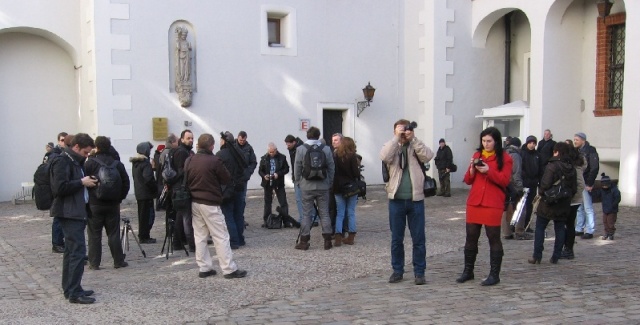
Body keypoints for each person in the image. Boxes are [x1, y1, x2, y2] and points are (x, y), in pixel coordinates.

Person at [185, 133, 247, 279]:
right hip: (210, 202)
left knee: (200, 236)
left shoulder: (190, 160)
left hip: (195, 201)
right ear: (212, 146)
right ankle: (228, 268)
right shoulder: (214, 161)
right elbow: (226, 178)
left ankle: (204, 267)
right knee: (221, 235)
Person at [379, 120, 434, 285]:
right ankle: (397, 270)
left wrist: (414, 139)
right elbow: (384, 156)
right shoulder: (391, 146)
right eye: (400, 129)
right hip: (396, 199)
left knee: (418, 238)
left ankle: (419, 272)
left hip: (415, 199)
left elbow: (428, 156)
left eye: (405, 129)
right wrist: (397, 138)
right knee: (397, 239)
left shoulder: (414, 146)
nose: (404, 132)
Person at [457, 127, 512, 286]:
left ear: (496, 141)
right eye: (483, 141)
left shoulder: (505, 158)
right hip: (475, 202)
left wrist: (489, 170)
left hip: (492, 202)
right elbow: (467, 180)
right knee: (471, 237)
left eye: (489, 141)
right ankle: (468, 271)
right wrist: (473, 169)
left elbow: (504, 181)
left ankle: (494, 274)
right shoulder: (477, 155)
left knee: (493, 237)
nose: (486, 144)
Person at [50, 133, 98, 304]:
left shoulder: (74, 161)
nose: (87, 156)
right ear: (76, 147)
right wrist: (81, 182)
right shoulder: (62, 161)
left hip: (76, 211)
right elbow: (59, 187)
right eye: (85, 152)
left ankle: (71, 288)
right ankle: (74, 292)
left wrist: (87, 182)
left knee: (72, 252)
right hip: (68, 213)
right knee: (77, 252)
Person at [84, 136, 130, 270]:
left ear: (96, 147)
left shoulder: (90, 163)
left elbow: (84, 181)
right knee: (113, 233)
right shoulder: (117, 164)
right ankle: (118, 261)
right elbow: (126, 183)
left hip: (94, 204)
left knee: (94, 234)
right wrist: (119, 198)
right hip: (112, 204)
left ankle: (94, 262)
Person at [528, 142, 577, 265]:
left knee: (540, 227)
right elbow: (574, 188)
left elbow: (544, 184)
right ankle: (555, 256)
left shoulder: (552, 166)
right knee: (560, 228)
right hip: (564, 202)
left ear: (556, 152)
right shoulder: (571, 168)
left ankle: (537, 255)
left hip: (548, 202)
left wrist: (543, 193)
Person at [294, 126, 336, 250]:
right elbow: (331, 167)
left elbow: (297, 167)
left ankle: (304, 241)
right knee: (324, 213)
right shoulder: (326, 149)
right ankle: (327, 241)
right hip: (323, 185)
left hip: (306, 186)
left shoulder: (301, 149)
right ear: (318, 136)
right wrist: (329, 182)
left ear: (307, 135)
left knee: (306, 214)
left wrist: (298, 182)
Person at [217, 132, 247, 248]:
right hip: (239, 187)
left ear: (224, 141)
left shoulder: (221, 154)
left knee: (228, 215)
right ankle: (240, 238)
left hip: (227, 189)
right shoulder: (239, 153)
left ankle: (234, 240)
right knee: (238, 214)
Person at [258, 142, 297, 227]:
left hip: (278, 182)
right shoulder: (264, 158)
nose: (271, 154)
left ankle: (286, 221)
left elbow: (286, 169)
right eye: (270, 152)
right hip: (268, 183)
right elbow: (260, 170)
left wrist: (278, 174)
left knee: (283, 202)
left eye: (273, 152)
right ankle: (267, 221)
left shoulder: (282, 157)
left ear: (276, 150)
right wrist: (264, 176)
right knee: (267, 202)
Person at [332, 137, 361, 246]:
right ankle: (351, 236)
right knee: (351, 212)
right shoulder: (352, 156)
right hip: (351, 187)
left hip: (338, 187)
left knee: (340, 213)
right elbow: (356, 173)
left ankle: (338, 236)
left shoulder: (335, 156)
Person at [560, 140, 586, 260]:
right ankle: (564, 248)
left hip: (572, 199)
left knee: (569, 225)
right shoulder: (573, 164)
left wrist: (571, 195)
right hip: (570, 198)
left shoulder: (575, 166)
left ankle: (568, 249)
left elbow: (580, 184)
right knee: (566, 224)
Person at [285, 135, 317, 224]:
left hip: (301, 177)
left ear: (294, 142)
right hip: (303, 177)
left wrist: (296, 177)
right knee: (308, 198)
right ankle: (313, 217)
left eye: (288, 145)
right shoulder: (298, 149)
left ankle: (304, 218)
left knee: (301, 199)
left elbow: (298, 165)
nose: (287, 147)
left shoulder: (298, 150)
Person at [172, 130, 196, 251]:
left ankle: (177, 242)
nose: (191, 140)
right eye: (188, 138)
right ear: (182, 139)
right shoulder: (181, 152)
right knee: (186, 218)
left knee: (180, 217)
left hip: (181, 188)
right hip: (182, 189)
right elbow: (181, 171)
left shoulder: (185, 151)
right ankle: (191, 244)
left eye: (192, 138)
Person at [130, 142, 158, 243]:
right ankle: (144, 236)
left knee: (142, 215)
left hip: (140, 192)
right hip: (146, 194)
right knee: (147, 216)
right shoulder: (145, 163)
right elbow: (148, 178)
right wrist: (155, 188)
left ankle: (143, 234)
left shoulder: (136, 163)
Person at [573, 132, 599, 239]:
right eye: (574, 139)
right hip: (578, 182)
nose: (575, 141)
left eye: (577, 140)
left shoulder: (590, 150)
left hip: (585, 181)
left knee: (588, 207)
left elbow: (594, 168)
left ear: (583, 140)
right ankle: (579, 228)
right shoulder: (576, 151)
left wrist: (589, 183)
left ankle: (589, 230)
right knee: (579, 206)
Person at [519, 135, 543, 238]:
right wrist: (525, 178)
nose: (532, 145)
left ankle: (527, 225)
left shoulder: (537, 155)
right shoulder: (522, 154)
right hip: (524, 183)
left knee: (530, 205)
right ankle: (518, 225)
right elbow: (521, 168)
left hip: (534, 183)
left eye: (534, 143)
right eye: (530, 143)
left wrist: (539, 180)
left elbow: (540, 169)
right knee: (521, 205)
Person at [50, 132, 68, 253]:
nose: (64, 142)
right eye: (62, 140)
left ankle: (61, 241)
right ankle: (56, 243)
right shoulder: (55, 155)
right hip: (57, 191)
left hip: (64, 190)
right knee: (58, 218)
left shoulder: (65, 154)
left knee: (63, 217)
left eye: (65, 140)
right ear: (58, 141)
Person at [501, 137, 523, 240]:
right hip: (512, 184)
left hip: (503, 182)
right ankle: (518, 230)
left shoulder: (504, 153)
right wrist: (519, 188)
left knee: (505, 207)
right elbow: (516, 172)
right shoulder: (515, 155)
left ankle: (506, 231)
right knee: (519, 207)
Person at [235, 131, 257, 229]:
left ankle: (240, 218)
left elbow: (253, 162)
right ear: (237, 138)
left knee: (242, 199)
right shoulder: (233, 147)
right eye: (240, 140)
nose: (242, 142)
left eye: (243, 140)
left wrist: (248, 172)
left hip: (243, 178)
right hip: (234, 177)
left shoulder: (249, 148)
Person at [595, 173, 621, 240]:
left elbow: (618, 198)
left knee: (610, 222)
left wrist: (613, 205)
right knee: (605, 221)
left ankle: (611, 233)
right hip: (605, 209)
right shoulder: (601, 190)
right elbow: (597, 195)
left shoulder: (614, 190)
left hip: (612, 210)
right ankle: (606, 233)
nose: (605, 187)